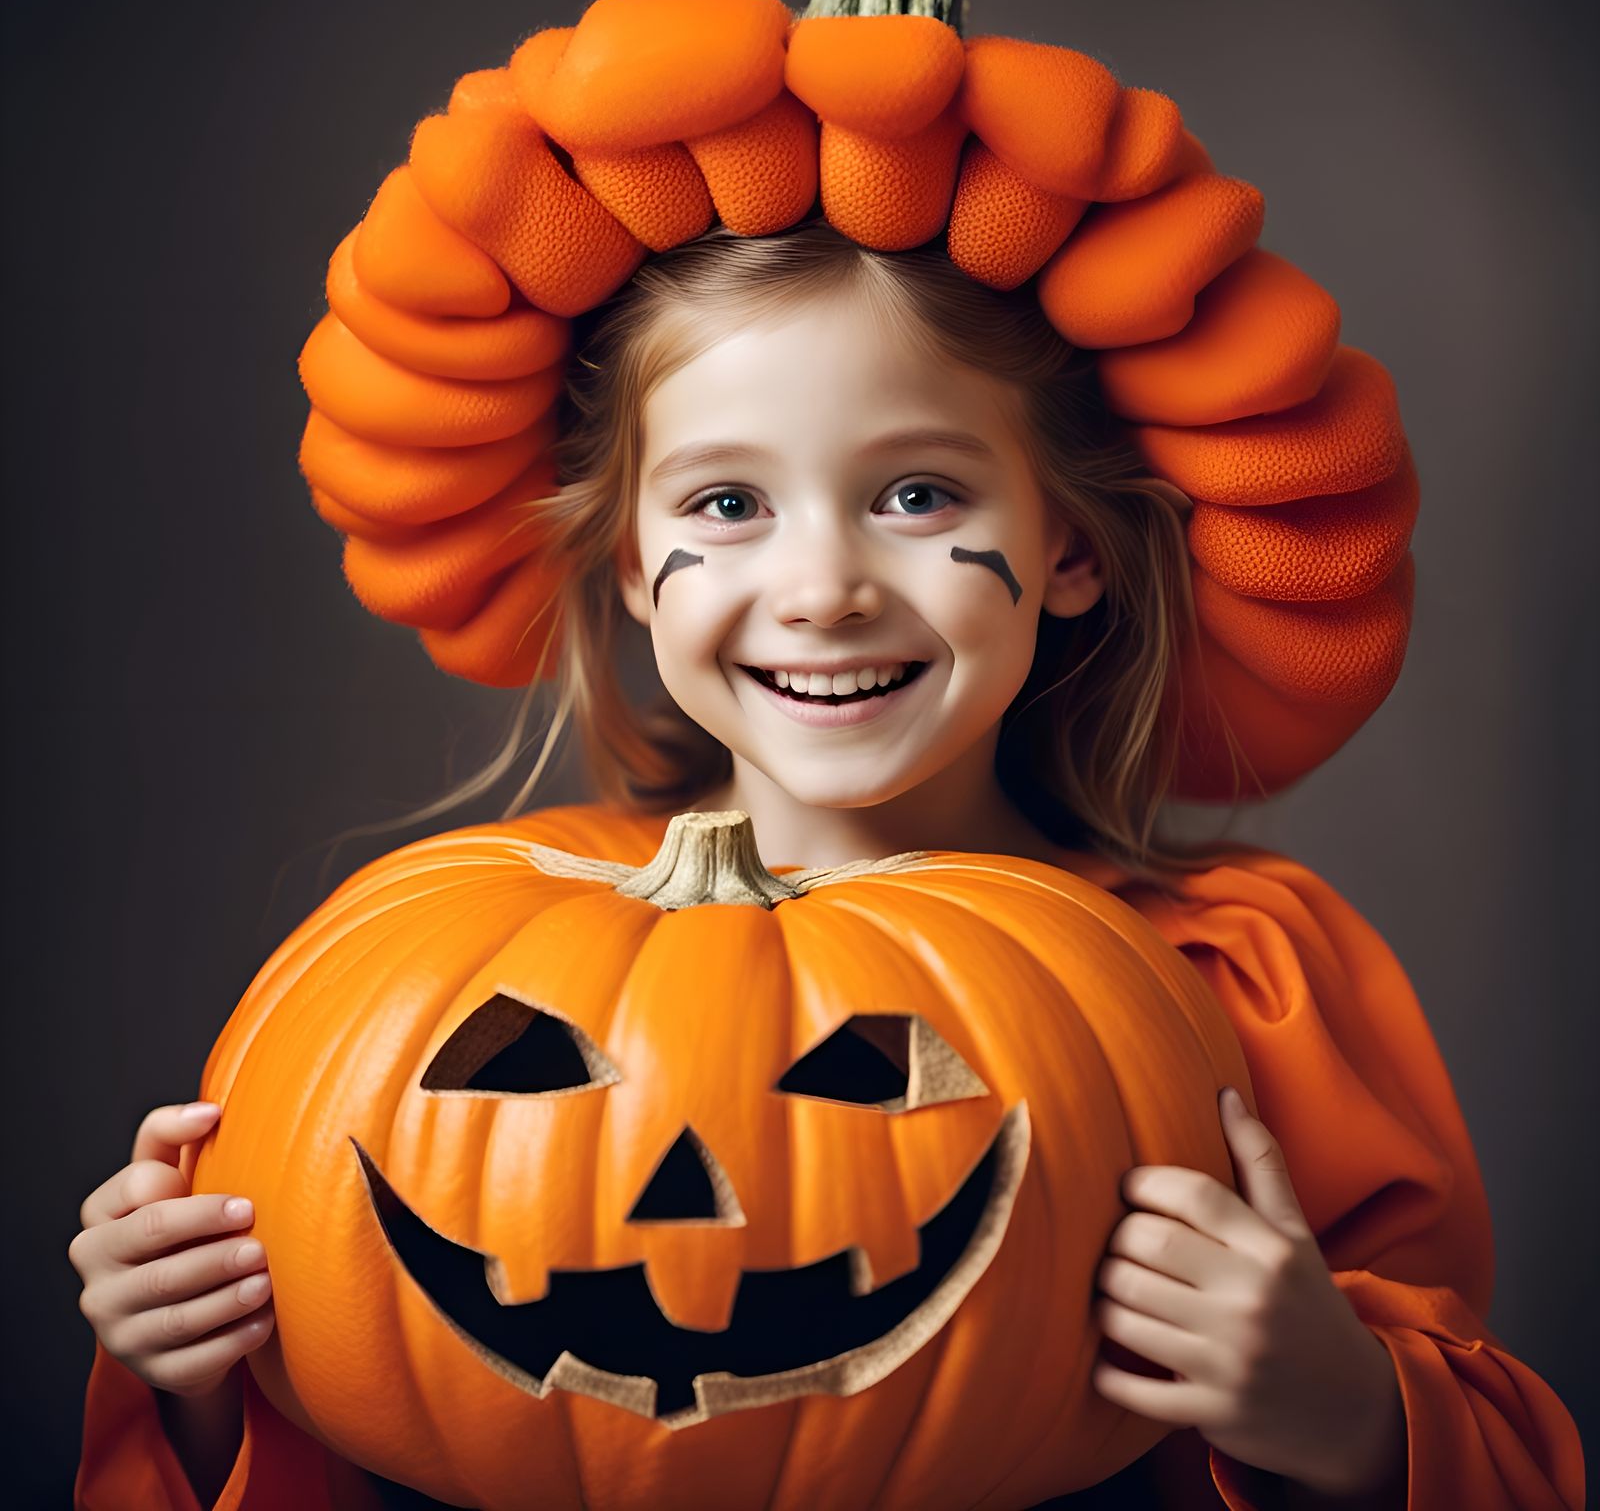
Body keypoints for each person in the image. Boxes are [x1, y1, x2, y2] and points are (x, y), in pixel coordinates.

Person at [70, 221, 1585, 1508]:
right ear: (625, 564)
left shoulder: (1240, 982)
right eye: (726, 505)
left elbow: (1495, 1455)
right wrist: (196, 1379)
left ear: (1069, 547)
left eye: (919, 495)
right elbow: (391, 1401)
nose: (821, 590)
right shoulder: (443, 956)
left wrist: (1345, 1413)